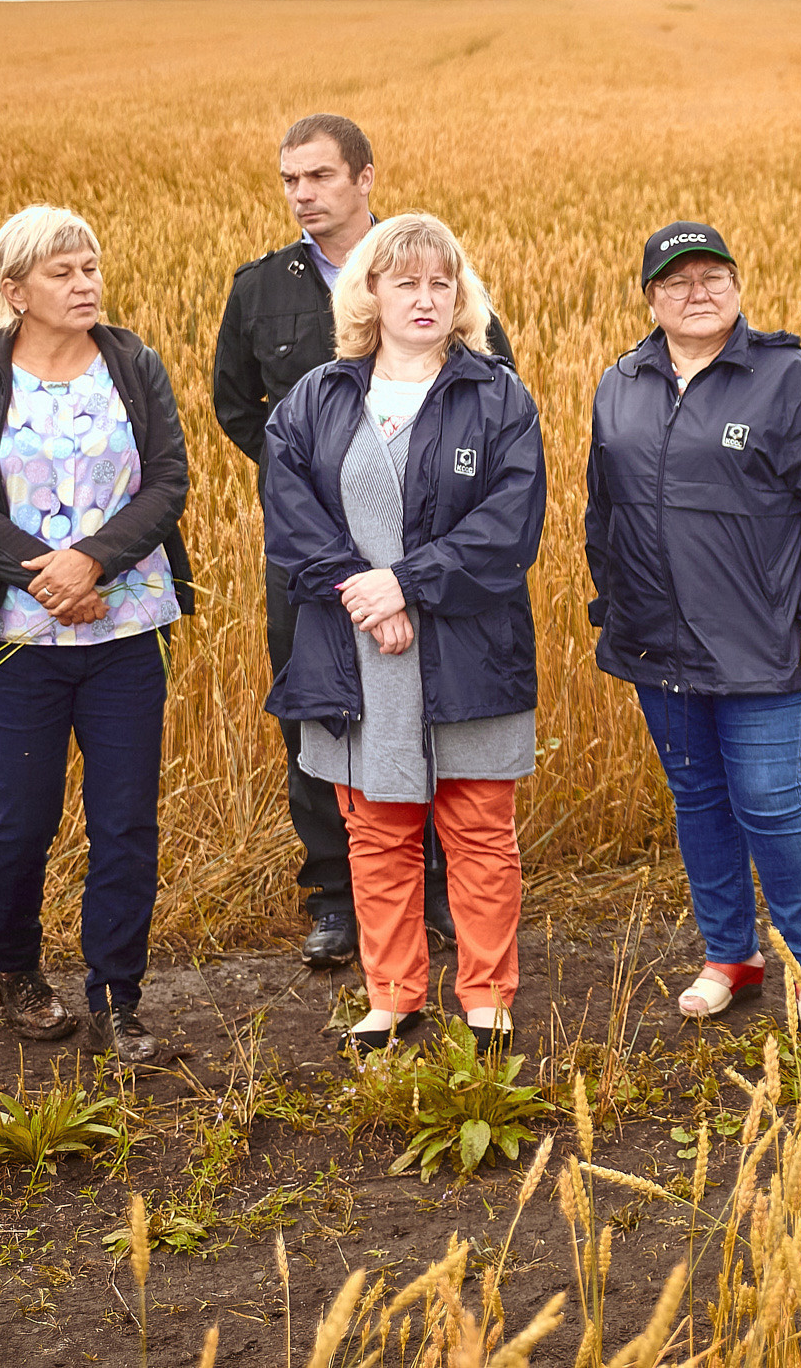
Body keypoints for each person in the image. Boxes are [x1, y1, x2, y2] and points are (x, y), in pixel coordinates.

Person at [215, 114, 512, 969]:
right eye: (289, 180)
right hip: (317, 557)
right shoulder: (261, 287)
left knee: (438, 710)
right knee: (326, 712)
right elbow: (240, 406)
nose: (303, 194)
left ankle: (439, 890)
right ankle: (339, 897)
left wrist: (410, 544)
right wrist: (325, 489)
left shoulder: (433, 268)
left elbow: (496, 388)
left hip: (435, 559)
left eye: (319, 176)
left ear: (365, 177)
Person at [262, 213, 544, 1055]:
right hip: (355, 658)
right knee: (376, 831)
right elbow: (291, 523)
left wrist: (405, 584)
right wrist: (370, 596)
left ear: (460, 296)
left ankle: (488, 995)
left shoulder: (497, 394)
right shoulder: (317, 397)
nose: (425, 297)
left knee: (479, 830)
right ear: (370, 291)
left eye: (440, 282)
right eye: (406, 281)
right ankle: (392, 995)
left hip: (468, 651)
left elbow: (509, 527)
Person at [585, 223, 801, 1031]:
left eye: (714, 275)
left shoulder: (787, 378)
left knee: (770, 798)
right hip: (658, 644)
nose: (698, 291)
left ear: (738, 287)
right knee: (699, 801)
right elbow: (601, 512)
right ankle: (730, 956)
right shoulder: (621, 383)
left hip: (764, 641)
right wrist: (613, 605)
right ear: (652, 298)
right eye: (678, 281)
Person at [0, 205, 193, 1064]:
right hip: (15, 637)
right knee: (22, 819)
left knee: (125, 821)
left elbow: (167, 482)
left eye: (91, 267)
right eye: (63, 273)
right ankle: (13, 971)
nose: (85, 284)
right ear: (16, 291)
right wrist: (49, 570)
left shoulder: (132, 362)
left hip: (124, 628)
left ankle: (118, 999)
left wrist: (95, 565)